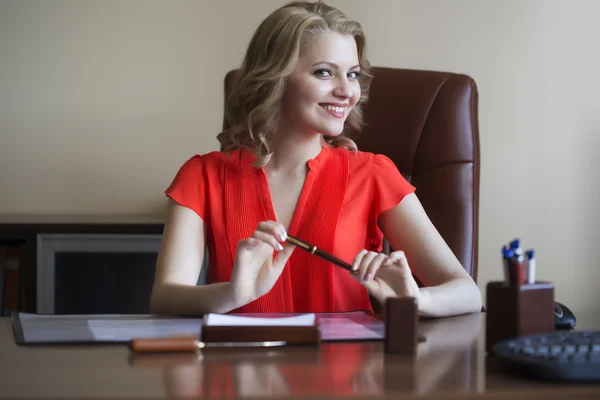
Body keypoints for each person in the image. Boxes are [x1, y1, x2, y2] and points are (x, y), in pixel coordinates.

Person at [150, 0, 482, 317]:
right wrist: (232, 295)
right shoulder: (202, 175)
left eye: (352, 74)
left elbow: (466, 291)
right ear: (275, 78)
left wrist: (414, 299)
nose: (347, 91)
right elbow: (166, 296)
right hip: (240, 369)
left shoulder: (374, 174)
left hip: (347, 371)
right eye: (324, 72)